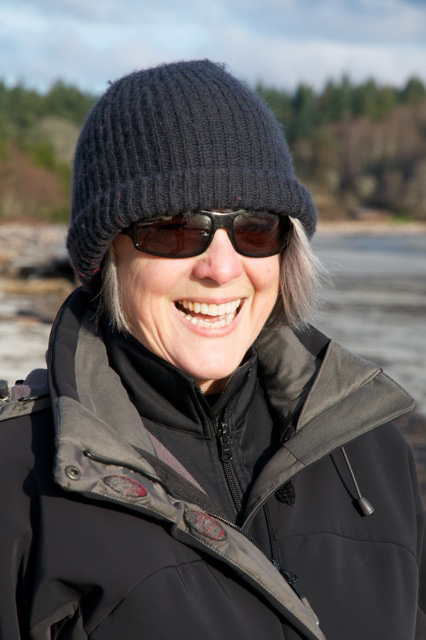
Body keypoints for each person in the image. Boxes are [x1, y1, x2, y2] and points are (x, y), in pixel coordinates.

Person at [0, 59, 424, 640]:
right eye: (174, 229)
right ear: (104, 259)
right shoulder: (18, 484)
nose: (222, 268)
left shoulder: (371, 453)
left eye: (254, 228)